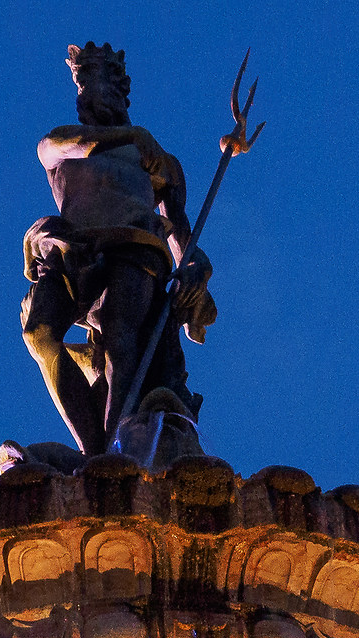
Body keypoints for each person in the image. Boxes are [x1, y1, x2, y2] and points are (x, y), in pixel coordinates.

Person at [21, 42, 215, 455]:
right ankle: (96, 450)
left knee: (120, 341)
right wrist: (132, 135)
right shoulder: (58, 145)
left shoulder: (160, 162)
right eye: (80, 83)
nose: (85, 94)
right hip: (73, 251)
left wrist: (197, 270)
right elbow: (70, 144)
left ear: (119, 89)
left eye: (94, 82)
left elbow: (183, 235)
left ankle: (112, 452)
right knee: (39, 334)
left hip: (135, 248)